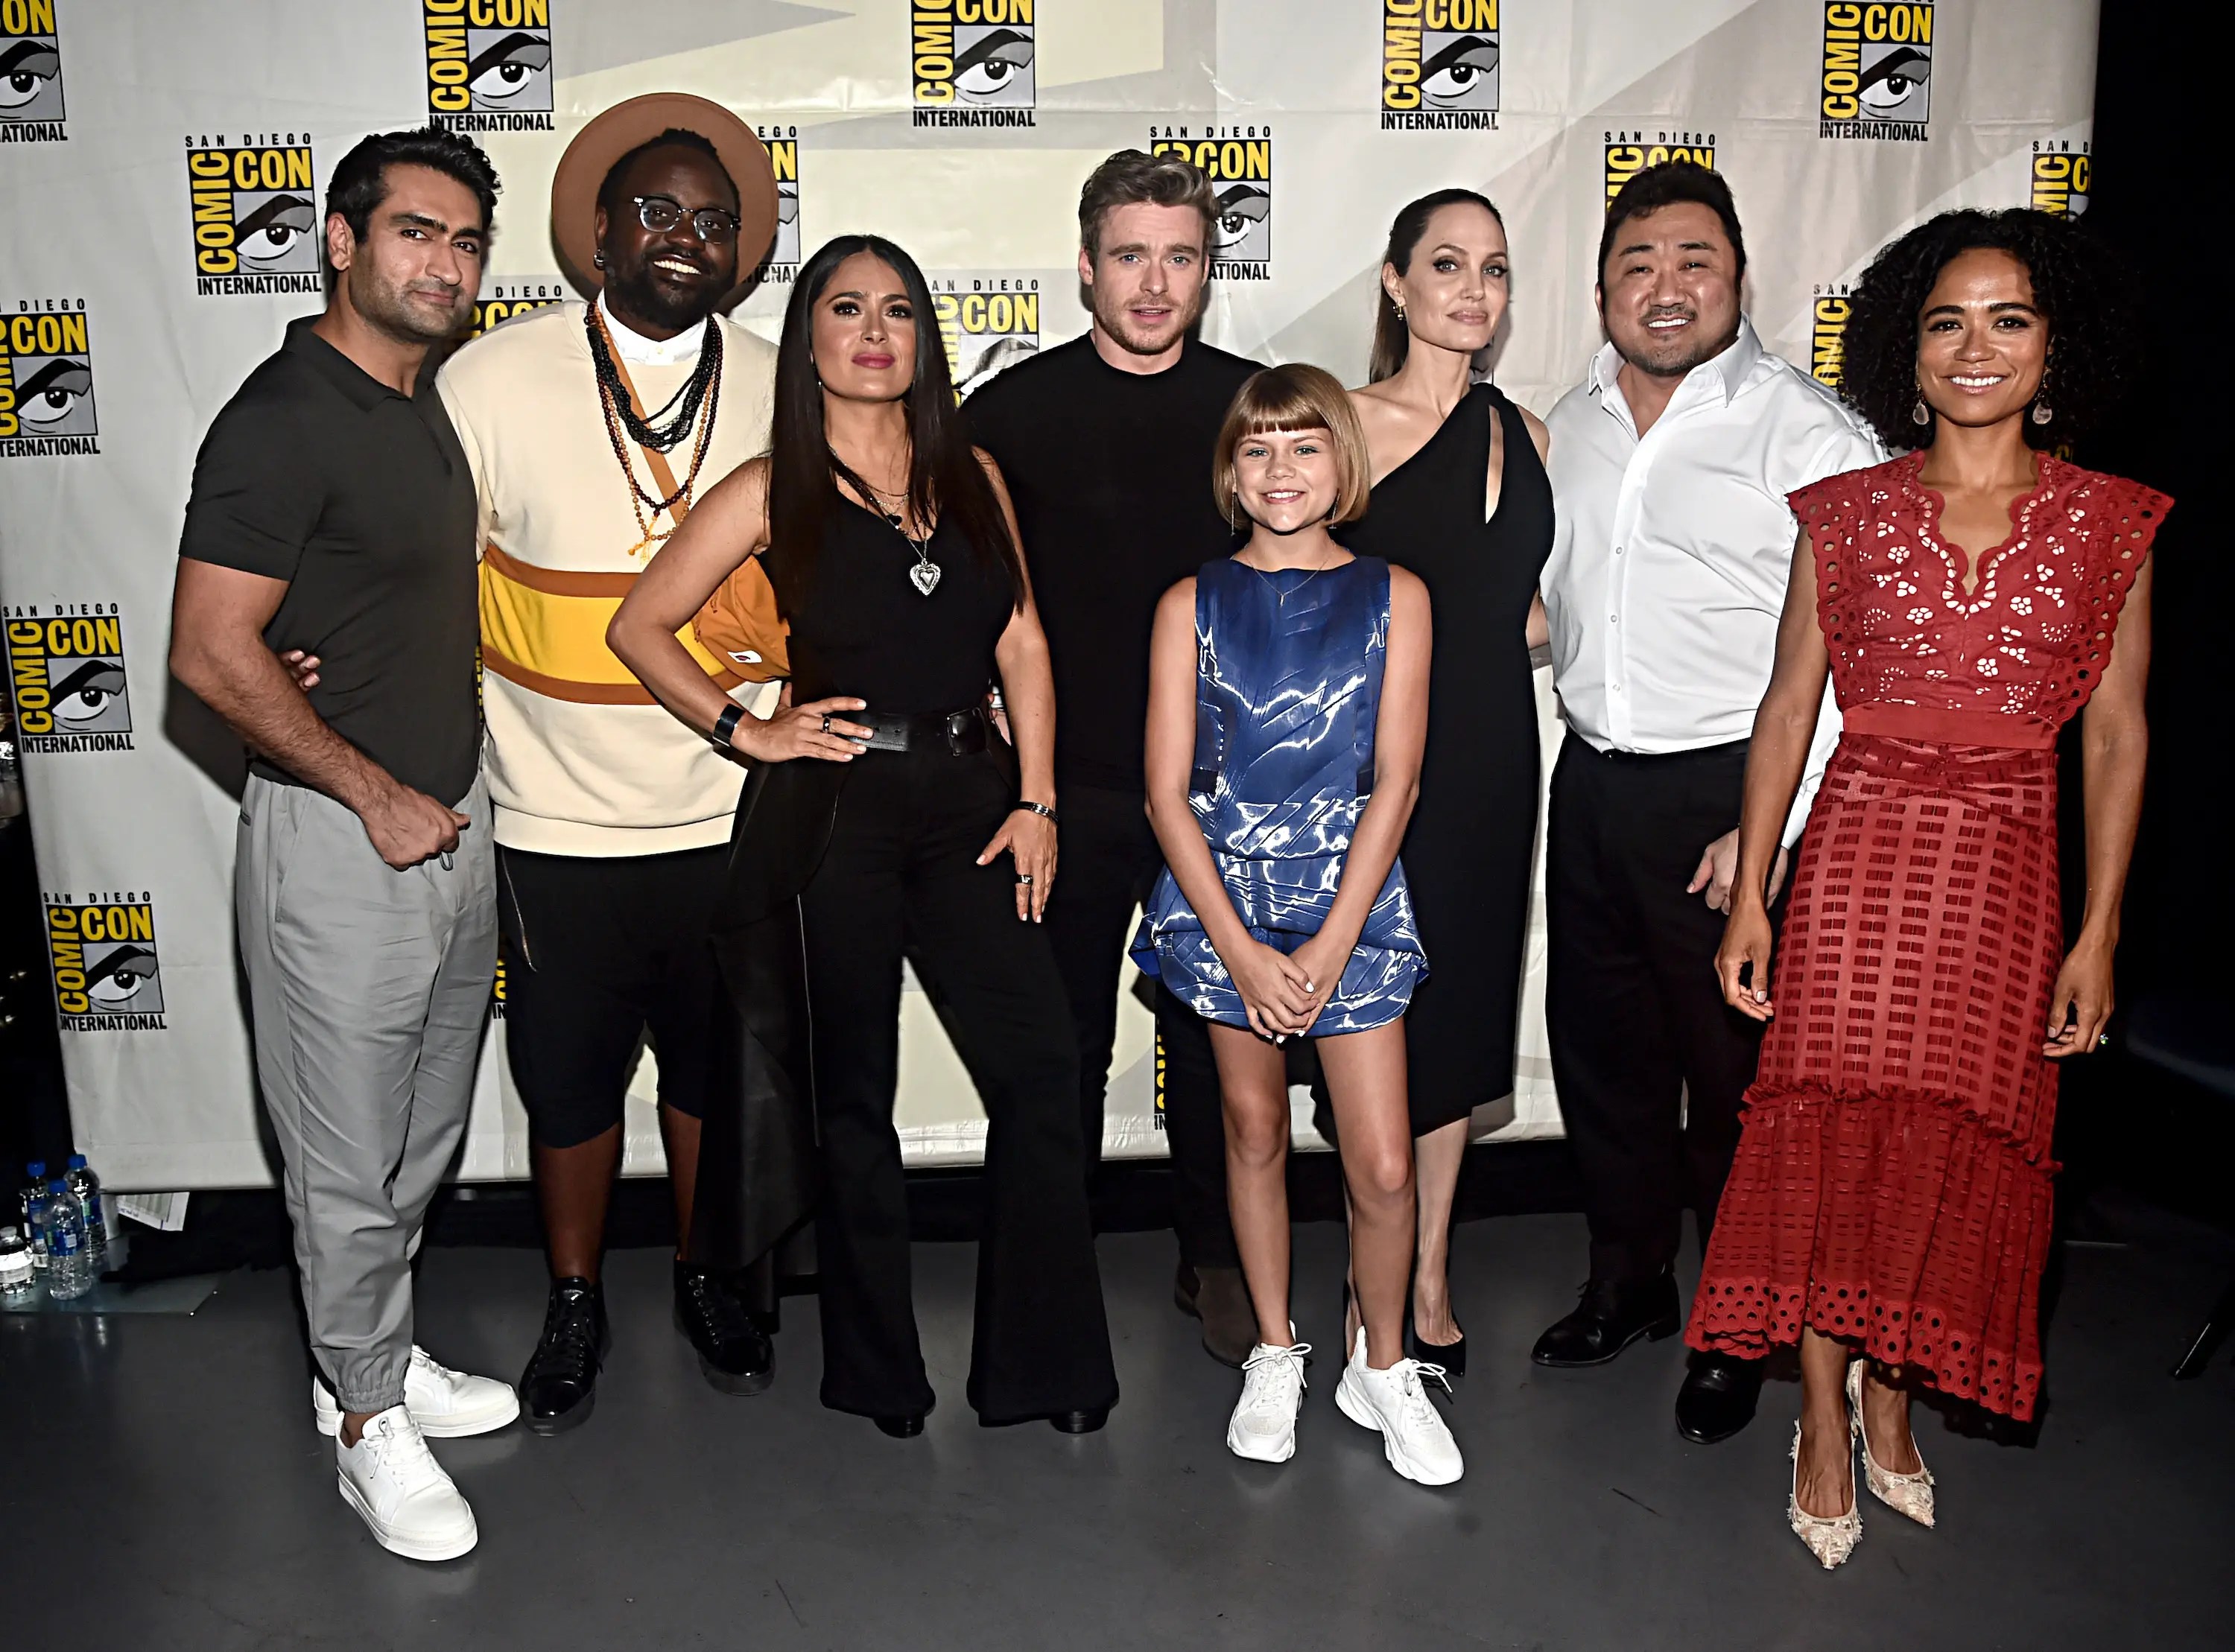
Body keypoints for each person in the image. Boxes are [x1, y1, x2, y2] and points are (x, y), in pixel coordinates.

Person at [1692, 209, 2164, 1567]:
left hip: (2008, 875)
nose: (1976, 346)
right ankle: (1822, 1413)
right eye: (1948, 321)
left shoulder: (2113, 522)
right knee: (1840, 1141)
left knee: (1953, 1144)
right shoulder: (1842, 515)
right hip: (1861, 864)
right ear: (1908, 350)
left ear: (2054, 347)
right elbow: (1789, 709)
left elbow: (2117, 736)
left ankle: (1892, 1391)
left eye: (2009, 319)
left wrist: (2101, 930)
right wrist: (1752, 891)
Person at [609, 234, 1118, 1439]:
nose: (875, 332)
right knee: (855, 1097)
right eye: (847, 309)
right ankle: (880, 1373)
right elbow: (641, 626)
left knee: (1043, 1072)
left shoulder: (973, 473)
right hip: (837, 809)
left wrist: (1038, 799)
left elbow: (1023, 640)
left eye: (897, 310)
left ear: (924, 338)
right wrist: (749, 730)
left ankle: (1044, 1366)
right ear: (810, 341)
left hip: (975, 802)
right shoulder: (768, 485)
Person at [170, 127, 516, 1563]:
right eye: (415, 232)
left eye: (466, 242)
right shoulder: (282, 416)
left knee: (421, 1132)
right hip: (341, 838)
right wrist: (367, 789)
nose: (444, 264)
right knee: (344, 1151)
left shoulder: (420, 401)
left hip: (448, 824)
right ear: (340, 240)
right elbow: (206, 647)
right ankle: (367, 1416)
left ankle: (366, 1355)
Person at [427, 96, 796, 1433]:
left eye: (714, 219)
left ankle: (704, 1274)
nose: (686, 235)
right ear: (597, 233)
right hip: (553, 818)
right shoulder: (489, 380)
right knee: (569, 1084)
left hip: (730, 810)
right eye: (657, 211)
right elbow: (426, 583)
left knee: (706, 1071)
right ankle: (575, 1296)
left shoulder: (786, 381)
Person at [1534, 162, 1882, 1446]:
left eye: (1695, 260)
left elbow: (1863, 652)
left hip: (1734, 787)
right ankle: (1628, 1283)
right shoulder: (1567, 422)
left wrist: (1769, 825)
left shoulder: (1809, 433)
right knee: (1605, 1059)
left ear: (1739, 278)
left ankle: (1738, 1333)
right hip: (1592, 780)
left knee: (1734, 1084)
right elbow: (1563, 600)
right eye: (1638, 263)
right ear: (1602, 290)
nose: (1666, 285)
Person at [1135, 364, 1460, 1485]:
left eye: (1306, 444)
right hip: (1225, 904)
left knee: (1384, 1165)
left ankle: (1384, 1363)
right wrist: (1240, 950)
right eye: (1258, 447)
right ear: (1231, 472)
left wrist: (1327, 945)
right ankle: (1275, 1350)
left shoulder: (1397, 595)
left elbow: (1397, 783)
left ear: (1343, 464)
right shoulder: (1187, 603)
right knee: (1253, 1133)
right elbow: (1165, 795)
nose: (1282, 469)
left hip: (1351, 904)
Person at [965, 150, 1262, 1367]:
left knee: (1214, 1039)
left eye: (1179, 257)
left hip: (1225, 792)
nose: (1154, 282)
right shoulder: (1009, 414)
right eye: (1130, 256)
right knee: (1061, 1046)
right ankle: (1050, 1268)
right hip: (1066, 786)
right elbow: (959, 589)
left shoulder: (1259, 411)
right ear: (1086, 266)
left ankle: (1218, 1255)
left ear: (1208, 271)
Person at [1336, 188, 1553, 1373]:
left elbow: (1521, 606)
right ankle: (1370, 1262)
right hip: (1374, 762)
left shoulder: (1529, 431)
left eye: (1495, 269)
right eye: (1449, 264)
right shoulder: (1343, 427)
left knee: (1463, 1010)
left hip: (1494, 757)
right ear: (1396, 280)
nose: (1475, 290)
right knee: (1382, 1011)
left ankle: (1425, 1273)